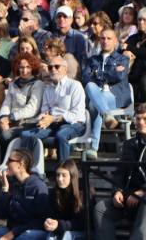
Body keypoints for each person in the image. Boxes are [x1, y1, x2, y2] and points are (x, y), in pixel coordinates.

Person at [93, 103, 146, 240]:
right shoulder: (130, 144)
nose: (140, 122)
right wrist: (117, 191)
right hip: (129, 198)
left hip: (143, 198)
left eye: (145, 119)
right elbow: (120, 171)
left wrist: (142, 192)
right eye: (138, 118)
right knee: (101, 208)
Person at [0, 148, 49, 240]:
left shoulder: (38, 186)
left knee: (27, 236)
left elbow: (39, 221)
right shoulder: (11, 183)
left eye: (10, 160)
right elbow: (1, 214)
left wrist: (13, 233)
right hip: (10, 230)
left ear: (21, 164)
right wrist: (5, 189)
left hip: (30, 231)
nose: (6, 163)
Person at [21, 56, 86, 162]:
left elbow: (77, 114)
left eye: (57, 66)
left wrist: (54, 118)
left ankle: (64, 169)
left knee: (61, 135)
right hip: (52, 124)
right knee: (26, 135)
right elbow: (45, 110)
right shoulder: (48, 89)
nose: (53, 70)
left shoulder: (75, 86)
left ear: (65, 69)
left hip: (73, 123)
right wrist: (43, 117)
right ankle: (28, 168)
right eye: (50, 67)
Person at [80, 28, 130, 160]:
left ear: (115, 41)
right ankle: (107, 115)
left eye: (109, 38)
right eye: (102, 38)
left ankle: (93, 147)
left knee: (94, 104)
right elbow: (85, 78)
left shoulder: (123, 59)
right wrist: (111, 73)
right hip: (97, 94)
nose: (105, 41)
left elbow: (119, 76)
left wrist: (97, 74)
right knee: (90, 86)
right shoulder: (92, 60)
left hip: (116, 95)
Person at [0, 54, 45, 149]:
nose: (24, 71)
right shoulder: (13, 84)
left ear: (33, 68)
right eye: (21, 67)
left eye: (28, 67)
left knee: (5, 136)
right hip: (10, 121)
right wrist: (4, 118)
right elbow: (7, 103)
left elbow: (32, 109)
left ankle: (11, 157)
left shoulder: (38, 84)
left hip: (27, 122)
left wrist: (10, 118)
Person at [42, 159, 85, 240]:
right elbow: (50, 214)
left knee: (66, 236)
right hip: (60, 230)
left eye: (64, 175)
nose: (60, 179)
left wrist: (59, 224)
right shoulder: (54, 193)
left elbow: (83, 223)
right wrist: (48, 222)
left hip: (80, 232)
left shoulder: (83, 192)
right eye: (58, 175)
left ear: (72, 176)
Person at [123, 8, 146, 103]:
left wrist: (130, 48)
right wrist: (126, 51)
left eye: (144, 20)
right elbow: (123, 48)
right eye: (139, 19)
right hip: (133, 71)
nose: (141, 22)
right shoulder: (134, 37)